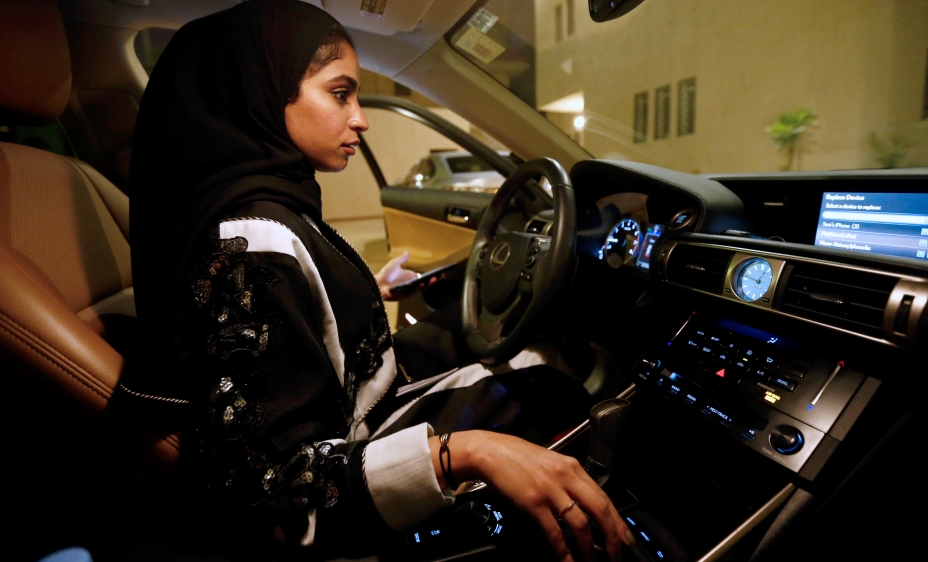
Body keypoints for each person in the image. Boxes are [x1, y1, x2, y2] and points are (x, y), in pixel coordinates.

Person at [126, 1, 634, 560]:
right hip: (343, 480)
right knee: (553, 376)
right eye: (339, 93)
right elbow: (274, 492)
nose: (361, 118)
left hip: (362, 420)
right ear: (264, 92)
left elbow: (289, 329)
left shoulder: (265, 209)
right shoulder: (254, 240)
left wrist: (371, 289)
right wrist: (467, 453)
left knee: (530, 361)